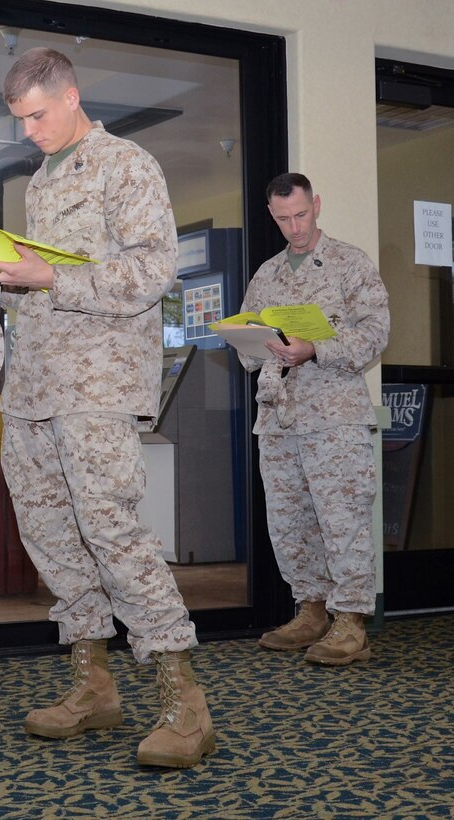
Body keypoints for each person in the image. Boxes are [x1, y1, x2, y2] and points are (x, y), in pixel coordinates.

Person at [0, 47, 214, 769]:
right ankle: (92, 685)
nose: (29, 130)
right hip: (35, 386)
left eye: (38, 114)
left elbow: (150, 271)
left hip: (96, 387)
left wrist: (48, 276)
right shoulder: (42, 179)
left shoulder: (124, 164)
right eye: (20, 120)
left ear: (71, 96)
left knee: (111, 534)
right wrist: (2, 277)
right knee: (52, 540)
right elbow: (44, 279)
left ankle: (183, 702)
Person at [242, 172, 389, 665]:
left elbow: (375, 333)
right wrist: (247, 341)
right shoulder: (267, 275)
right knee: (289, 521)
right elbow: (248, 342)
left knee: (341, 518)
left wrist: (315, 349)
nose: (294, 227)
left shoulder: (350, 263)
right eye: (283, 219)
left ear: (316, 205)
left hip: (334, 416)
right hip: (279, 418)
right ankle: (311, 610)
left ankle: (350, 620)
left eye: (301, 215)